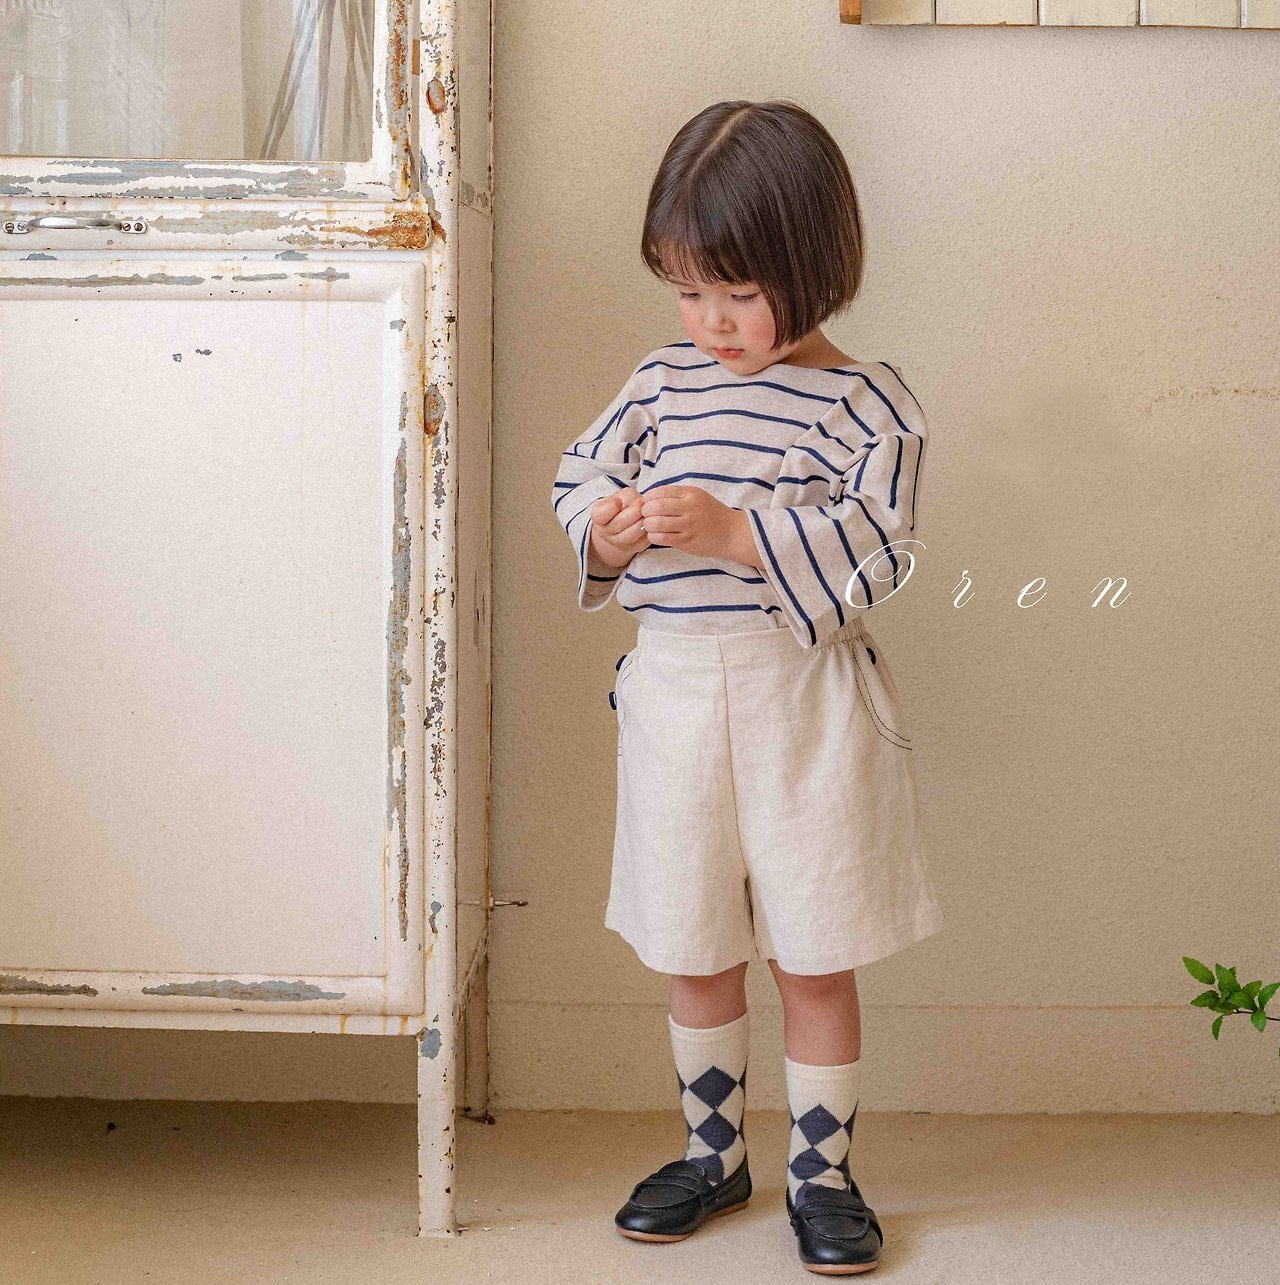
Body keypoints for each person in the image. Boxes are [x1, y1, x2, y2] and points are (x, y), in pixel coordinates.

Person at [549, 99, 943, 1276]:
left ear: (813, 268)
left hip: (803, 700)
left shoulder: (868, 403)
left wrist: (734, 532)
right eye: (685, 291)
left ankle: (821, 1174)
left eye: (736, 292)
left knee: (812, 945)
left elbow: (879, 548)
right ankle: (711, 1155)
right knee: (693, 937)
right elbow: (579, 474)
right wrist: (607, 529)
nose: (709, 322)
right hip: (673, 695)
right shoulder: (659, 382)